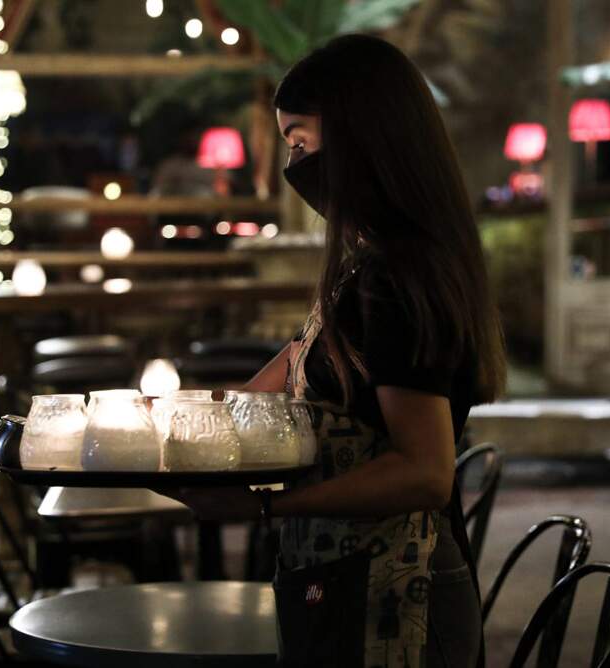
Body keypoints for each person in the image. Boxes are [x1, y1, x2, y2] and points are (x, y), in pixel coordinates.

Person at [162, 34, 505, 667]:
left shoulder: (397, 278)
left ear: (360, 138)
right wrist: (172, 419)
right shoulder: (366, 267)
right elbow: (281, 379)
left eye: (299, 144)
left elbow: (426, 471)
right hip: (345, 578)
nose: (293, 167)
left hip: (400, 596)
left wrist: (263, 504)